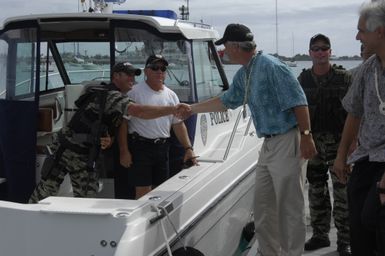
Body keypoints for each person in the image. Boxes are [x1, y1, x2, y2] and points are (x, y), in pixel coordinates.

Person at [180, 23, 317, 256]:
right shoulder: (245, 73)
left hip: (286, 140)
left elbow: (298, 101)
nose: (224, 52)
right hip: (269, 144)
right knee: (263, 208)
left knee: (289, 208)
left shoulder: (272, 66)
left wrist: (306, 136)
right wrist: (191, 109)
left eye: (225, 47)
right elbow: (226, 101)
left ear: (236, 46)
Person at [29, 62, 188, 203]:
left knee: (66, 196)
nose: (132, 78)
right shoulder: (111, 95)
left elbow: (108, 126)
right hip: (70, 152)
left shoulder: (113, 95)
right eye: (128, 74)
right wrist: (174, 109)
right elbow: (139, 112)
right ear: (116, 76)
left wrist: (108, 139)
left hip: (77, 151)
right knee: (60, 195)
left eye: (134, 75)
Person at [333, 1, 385, 255]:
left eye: (361, 30)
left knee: (374, 220)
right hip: (366, 159)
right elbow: (354, 113)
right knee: (359, 228)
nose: (357, 36)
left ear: (380, 32)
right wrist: (342, 155)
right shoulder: (368, 69)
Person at [297, 34, 351, 256]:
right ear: (310, 53)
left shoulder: (344, 78)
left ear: (330, 52)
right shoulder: (303, 80)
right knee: (317, 190)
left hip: (340, 143)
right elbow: (297, 111)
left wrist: (353, 142)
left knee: (342, 191)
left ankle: (345, 240)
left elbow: (355, 112)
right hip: (314, 144)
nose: (320, 52)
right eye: (316, 49)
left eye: (324, 49)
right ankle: (320, 235)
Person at [124, 54, 197, 199]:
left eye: (163, 68)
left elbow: (178, 124)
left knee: (160, 189)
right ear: (145, 71)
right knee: (143, 191)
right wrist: (123, 151)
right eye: (155, 68)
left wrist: (188, 149)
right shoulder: (134, 93)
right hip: (140, 147)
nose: (159, 71)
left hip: (163, 148)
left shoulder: (171, 95)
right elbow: (123, 123)